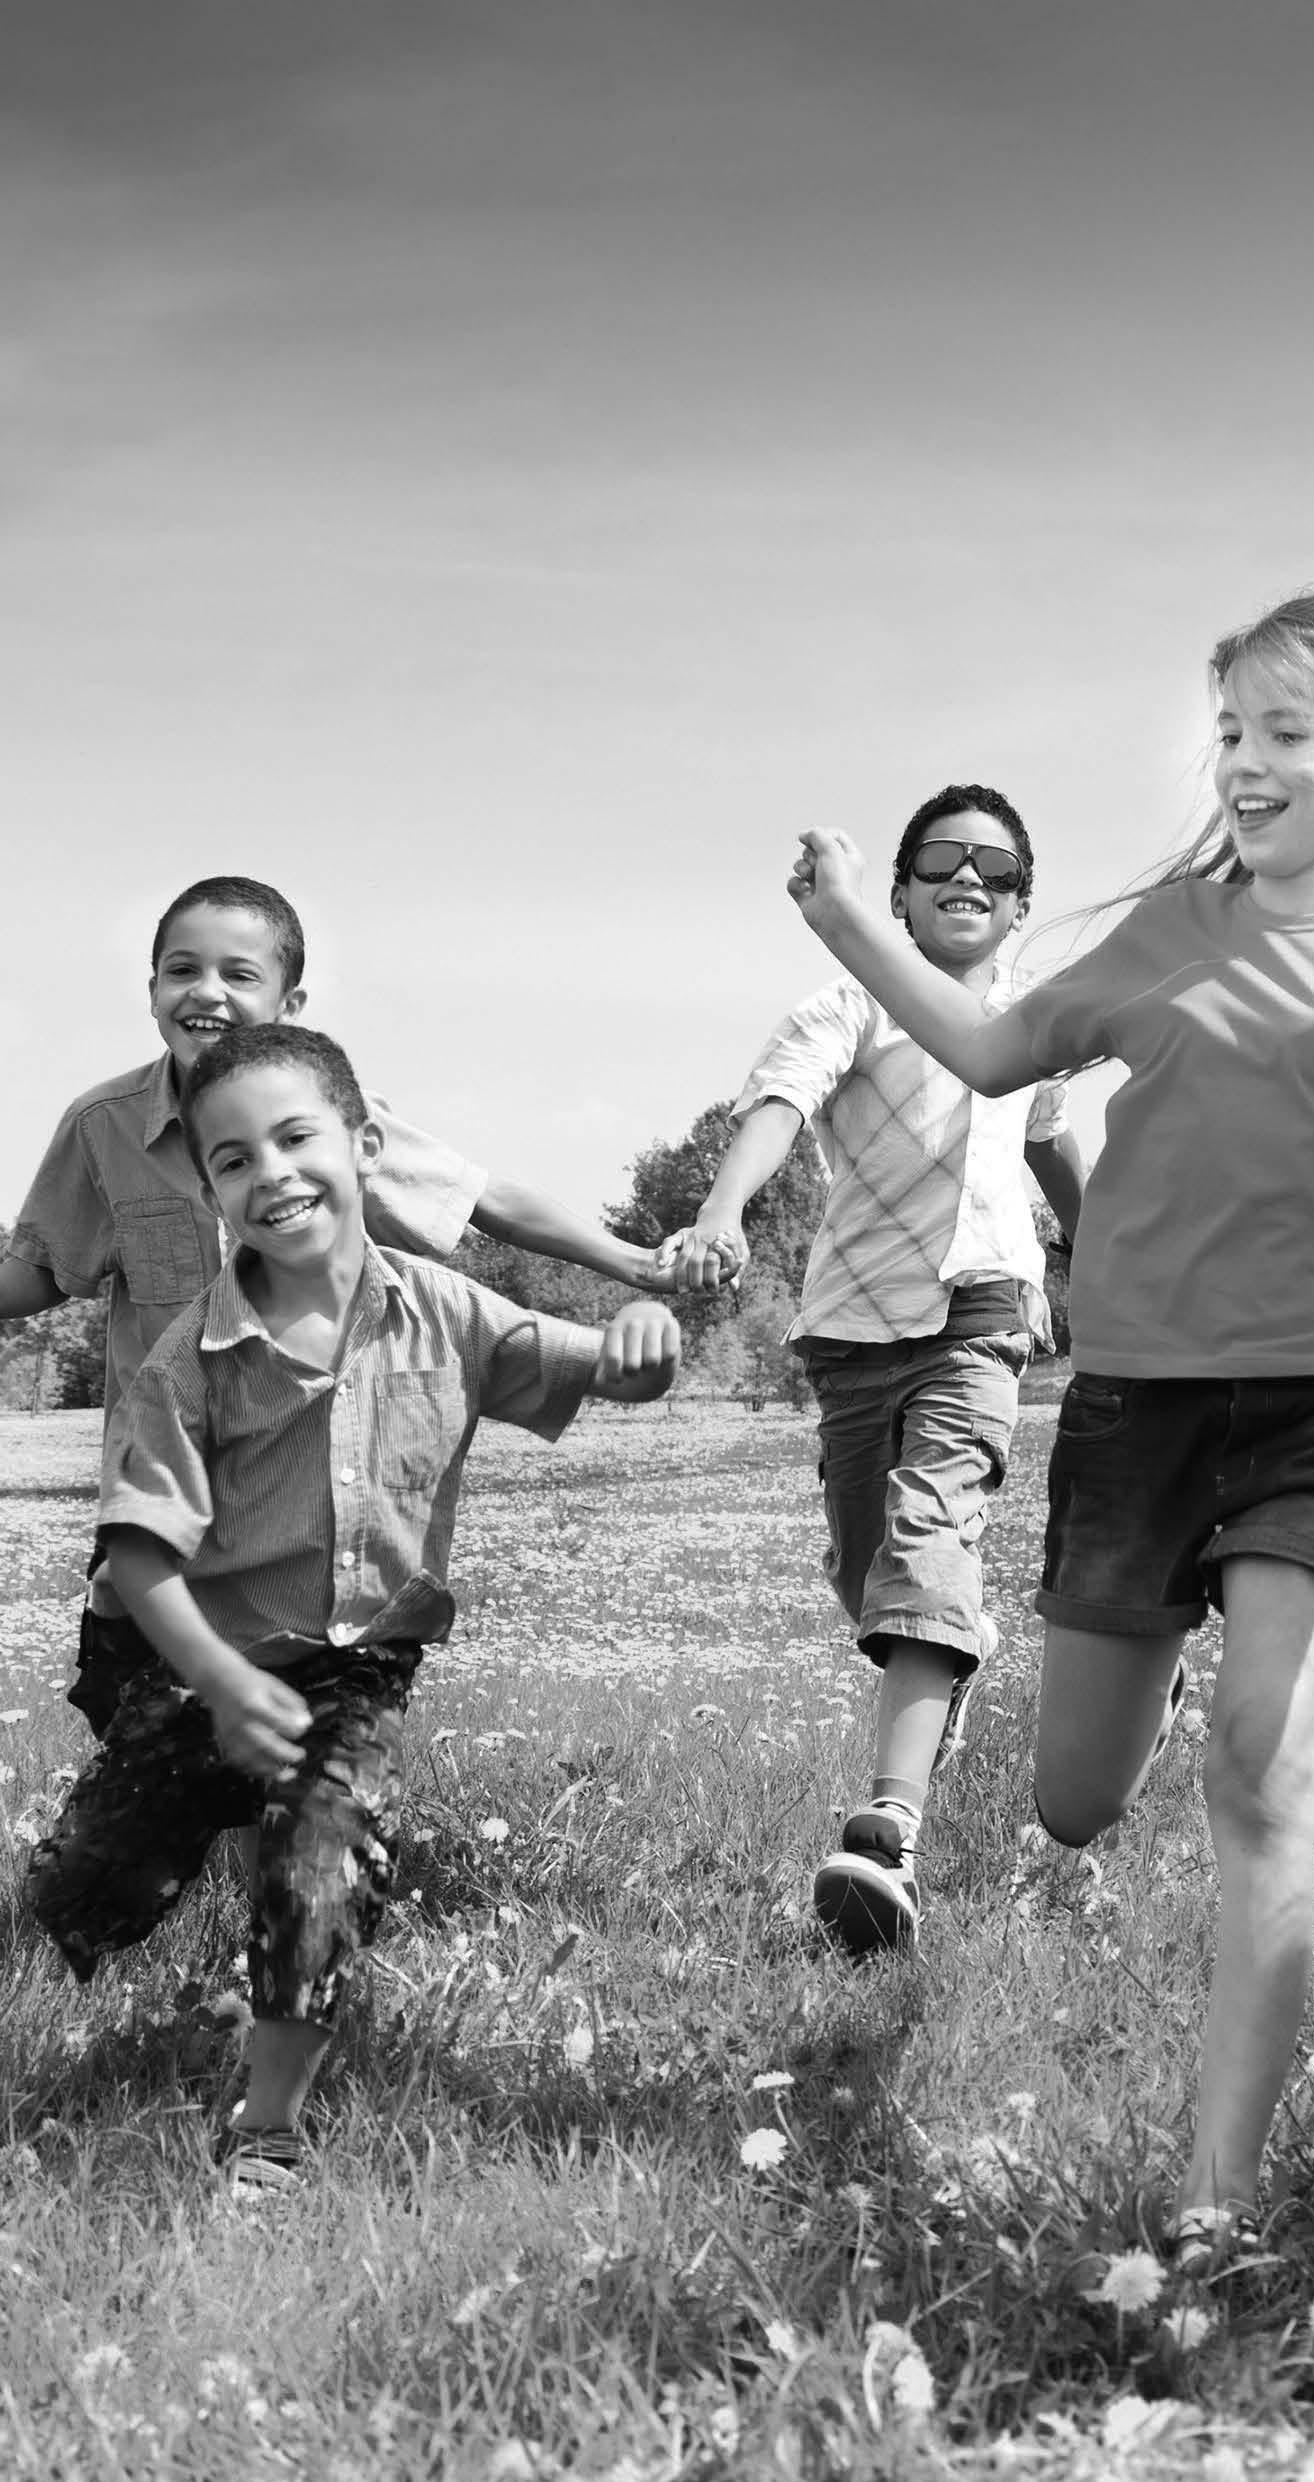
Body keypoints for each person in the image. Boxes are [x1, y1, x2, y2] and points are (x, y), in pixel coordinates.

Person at [787, 588, 1314, 2262]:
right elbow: (994, 1046)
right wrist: (848, 923)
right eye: (1229, 733)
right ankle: (1170, 1656)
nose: (1244, 763)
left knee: (1263, 1773)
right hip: (1134, 1408)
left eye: (1284, 730)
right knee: (1072, 1800)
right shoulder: (1170, 932)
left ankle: (1214, 2200)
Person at [25, 1022, 679, 2186]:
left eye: (295, 1138)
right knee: (87, 1885)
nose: (270, 1172)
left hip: (357, 1667)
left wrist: (646, 1342)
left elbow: (608, 1368)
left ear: (364, 1146)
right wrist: (218, 1683)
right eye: (234, 1159)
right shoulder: (188, 1360)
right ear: (210, 1192)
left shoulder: (448, 1312)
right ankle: (89, 1929)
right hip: (205, 1665)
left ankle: (266, 2129)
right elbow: (137, 1552)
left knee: (320, 1869)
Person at [0, 876, 663, 1730]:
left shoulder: (327, 1117)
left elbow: (482, 1199)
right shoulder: (102, 1125)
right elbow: (37, 1273)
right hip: (168, 1481)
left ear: (289, 1003)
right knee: (147, 1732)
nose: (206, 992)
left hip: (299, 1490)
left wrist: (632, 1262)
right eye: (182, 970)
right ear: (152, 988)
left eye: (239, 974)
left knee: (304, 1723)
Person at [668, 784, 1083, 1955]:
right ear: (894, 894)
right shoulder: (849, 1001)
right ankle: (941, 1656)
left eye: (996, 869)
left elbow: (1049, 1138)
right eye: (941, 859)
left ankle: (887, 1830)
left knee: (928, 1540)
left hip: (983, 1308)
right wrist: (721, 1208)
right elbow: (778, 1103)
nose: (968, 880)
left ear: (1020, 905)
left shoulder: (1033, 1019)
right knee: (869, 1573)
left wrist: (1101, 1250)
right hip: (854, 1323)